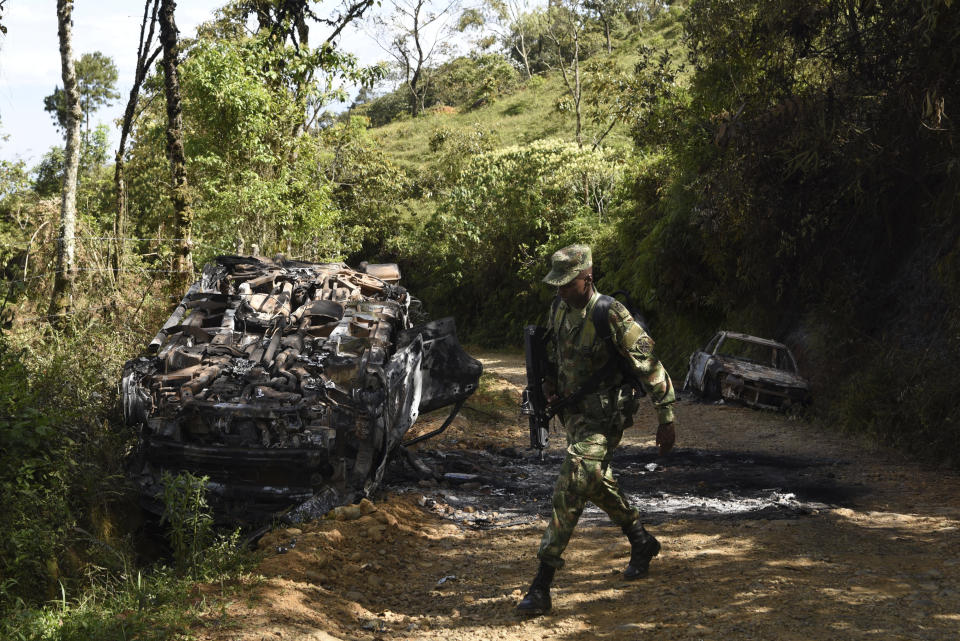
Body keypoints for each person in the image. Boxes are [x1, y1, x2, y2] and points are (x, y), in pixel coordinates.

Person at [517, 244, 677, 615]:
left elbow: (650, 364)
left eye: (567, 284)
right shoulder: (559, 308)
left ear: (587, 279)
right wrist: (547, 384)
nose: (559, 290)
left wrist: (666, 417)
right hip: (573, 417)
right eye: (556, 284)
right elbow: (554, 355)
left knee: (573, 479)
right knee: (594, 479)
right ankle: (640, 540)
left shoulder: (611, 313)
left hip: (606, 417)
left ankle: (542, 583)